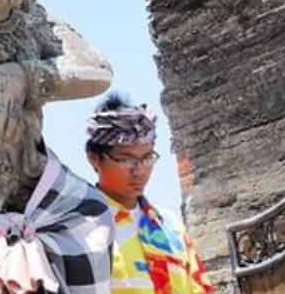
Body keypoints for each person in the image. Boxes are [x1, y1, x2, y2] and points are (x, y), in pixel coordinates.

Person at [86, 94, 213, 293]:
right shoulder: (82, 228)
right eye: (125, 159)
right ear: (94, 158)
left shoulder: (171, 229)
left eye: (147, 158)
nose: (139, 170)